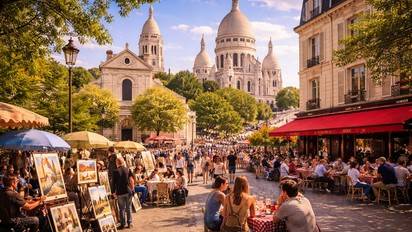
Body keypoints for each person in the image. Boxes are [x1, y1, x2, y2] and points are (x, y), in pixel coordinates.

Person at [112, 157, 133, 229]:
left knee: (122, 209)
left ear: (117, 163)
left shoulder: (115, 171)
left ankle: (123, 224)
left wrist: (113, 192)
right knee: (129, 208)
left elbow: (113, 183)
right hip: (128, 190)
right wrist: (132, 189)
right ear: (123, 162)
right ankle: (129, 223)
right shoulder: (127, 169)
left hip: (120, 192)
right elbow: (131, 180)